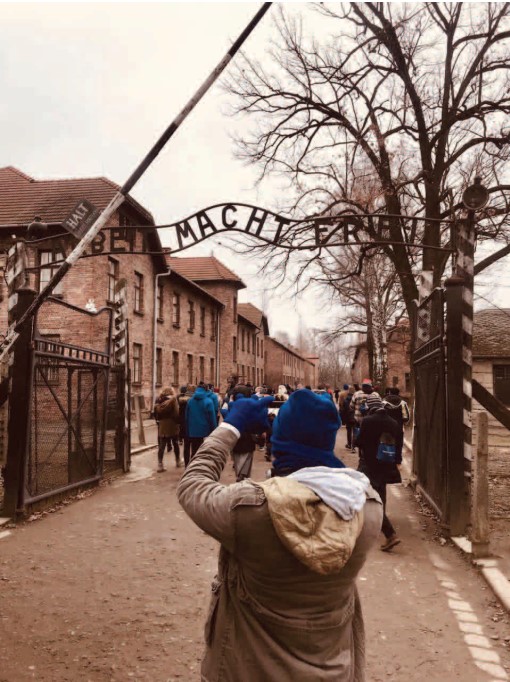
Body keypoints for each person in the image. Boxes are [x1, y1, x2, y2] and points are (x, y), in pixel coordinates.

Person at [178, 390, 383, 681]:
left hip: (247, 671)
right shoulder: (368, 508)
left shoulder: (250, 510)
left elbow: (192, 485)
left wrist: (230, 426)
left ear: (278, 441)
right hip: (332, 670)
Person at [355, 397, 401, 551]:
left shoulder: (368, 421)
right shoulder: (393, 423)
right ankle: (382, 529)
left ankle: (390, 533)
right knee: (381, 494)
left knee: (362, 495)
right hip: (386, 464)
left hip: (369, 464)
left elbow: (359, 441)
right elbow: (398, 445)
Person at [186, 383, 217, 461]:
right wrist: (214, 430)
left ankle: (192, 466)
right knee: (203, 451)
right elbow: (212, 418)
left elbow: (186, 416)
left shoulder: (190, 401)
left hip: (192, 429)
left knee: (194, 450)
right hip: (204, 429)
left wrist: (188, 429)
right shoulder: (208, 401)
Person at [153, 387, 181, 472]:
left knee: (162, 445)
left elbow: (155, 413)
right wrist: (178, 422)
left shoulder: (159, 400)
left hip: (162, 424)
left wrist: (158, 422)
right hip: (172, 424)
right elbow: (176, 413)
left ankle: (160, 465)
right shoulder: (173, 400)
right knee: (175, 443)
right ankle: (177, 461)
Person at [383, 387, 410, 460]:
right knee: (398, 444)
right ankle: (398, 459)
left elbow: (380, 414)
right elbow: (406, 417)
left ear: (390, 393)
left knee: (387, 442)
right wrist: (403, 423)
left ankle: (387, 457)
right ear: (398, 393)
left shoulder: (384, 403)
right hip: (398, 427)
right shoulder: (403, 403)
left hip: (387, 427)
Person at [177, 385, 192, 467]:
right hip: (192, 425)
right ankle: (192, 464)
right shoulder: (193, 401)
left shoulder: (181, 400)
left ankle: (186, 464)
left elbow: (179, 412)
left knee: (186, 446)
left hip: (184, 424)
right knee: (194, 446)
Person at [341, 385, 356, 451]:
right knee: (355, 431)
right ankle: (354, 446)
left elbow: (343, 411)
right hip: (355, 417)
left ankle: (349, 444)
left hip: (348, 417)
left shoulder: (345, 400)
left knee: (349, 431)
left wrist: (343, 420)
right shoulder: (356, 398)